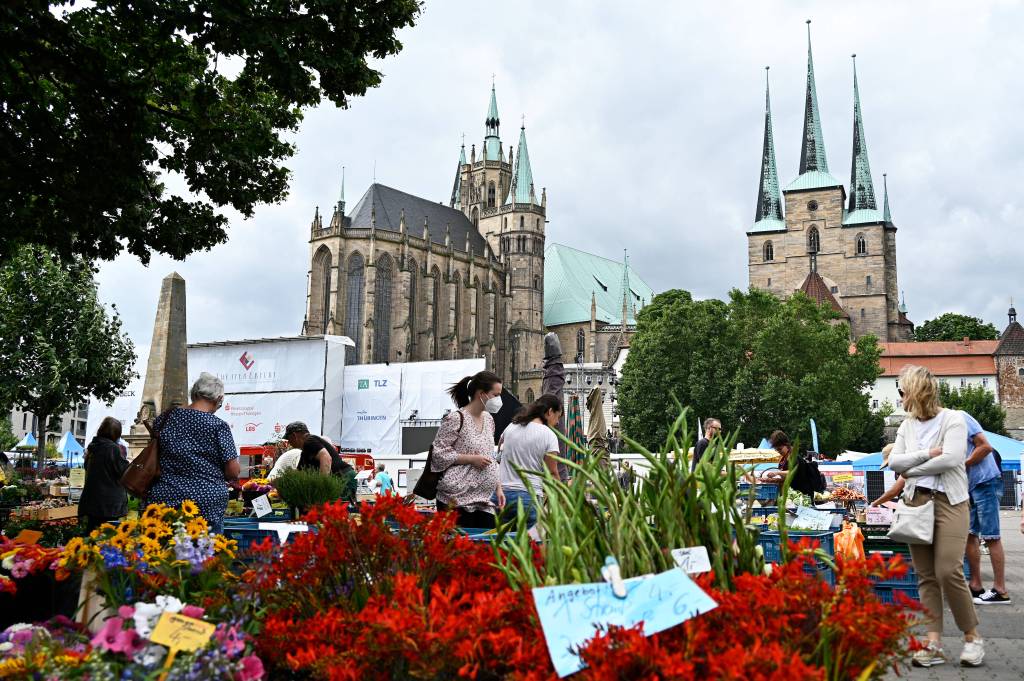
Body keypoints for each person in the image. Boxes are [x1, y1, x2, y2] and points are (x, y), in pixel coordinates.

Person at [887, 365, 983, 668]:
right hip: (916, 502)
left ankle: (972, 638)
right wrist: (928, 456)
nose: (900, 397)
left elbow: (953, 459)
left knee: (947, 570)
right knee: (926, 576)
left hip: (951, 502)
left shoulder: (953, 419)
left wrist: (910, 467)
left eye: (902, 391)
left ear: (916, 391)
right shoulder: (907, 426)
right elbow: (894, 463)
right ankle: (933, 643)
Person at [148, 373, 240, 534]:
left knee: (165, 552)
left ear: (195, 393)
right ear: (219, 398)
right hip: (206, 503)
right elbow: (233, 471)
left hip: (165, 499)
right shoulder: (218, 426)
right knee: (205, 554)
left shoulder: (164, 419)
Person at [430, 370, 504, 528]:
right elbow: (438, 454)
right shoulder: (456, 418)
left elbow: (490, 456)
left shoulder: (489, 420)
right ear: (481, 394)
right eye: (495, 395)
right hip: (456, 499)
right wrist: (471, 459)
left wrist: (498, 487)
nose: (499, 400)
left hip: (484, 500)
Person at [959, 412, 1008, 605]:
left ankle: (1000, 590)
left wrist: (963, 465)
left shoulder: (959, 418)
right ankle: (975, 585)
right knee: (970, 535)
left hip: (986, 482)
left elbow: (986, 447)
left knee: (991, 536)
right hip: (973, 487)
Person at [494, 395, 562, 527]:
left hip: (501, 495)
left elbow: (499, 457)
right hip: (528, 497)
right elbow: (552, 474)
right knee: (529, 545)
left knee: (502, 544)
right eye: (558, 416)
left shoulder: (511, 427)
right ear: (549, 412)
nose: (557, 422)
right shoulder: (549, 435)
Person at [78, 417, 130, 531]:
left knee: (92, 536)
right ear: (116, 433)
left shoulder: (92, 448)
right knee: (107, 538)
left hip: (91, 502)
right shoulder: (112, 448)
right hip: (108, 505)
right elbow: (124, 471)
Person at [283, 422, 354, 478]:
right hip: (342, 476)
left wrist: (320, 484)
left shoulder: (309, 441)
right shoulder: (305, 451)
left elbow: (326, 458)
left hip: (344, 477)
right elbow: (300, 472)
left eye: (289, 439)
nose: (289, 442)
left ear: (294, 436)